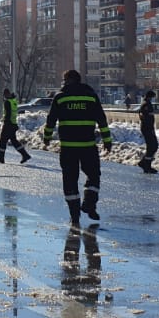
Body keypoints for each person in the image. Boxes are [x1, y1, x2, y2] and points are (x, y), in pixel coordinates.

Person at [42, 69, 112, 227]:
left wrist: (46, 138)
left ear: (67, 80)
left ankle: (75, 216)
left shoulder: (60, 97)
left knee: (70, 181)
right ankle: (89, 204)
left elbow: (51, 120)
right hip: (88, 146)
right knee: (94, 176)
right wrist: (107, 140)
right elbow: (101, 119)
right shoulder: (91, 96)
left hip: (68, 148)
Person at [0, 88, 31, 164]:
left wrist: (6, 122)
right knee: (14, 141)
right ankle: (25, 155)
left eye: (4, 95)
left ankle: (1, 158)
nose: (4, 96)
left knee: (2, 141)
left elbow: (8, 114)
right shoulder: (13, 101)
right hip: (13, 124)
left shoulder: (7, 102)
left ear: (5, 94)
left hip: (8, 124)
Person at [137, 90, 159, 173]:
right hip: (147, 128)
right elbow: (146, 117)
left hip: (148, 128)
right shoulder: (146, 104)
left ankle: (146, 164)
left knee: (152, 146)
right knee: (152, 146)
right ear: (150, 97)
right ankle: (145, 164)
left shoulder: (145, 103)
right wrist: (150, 128)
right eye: (153, 97)